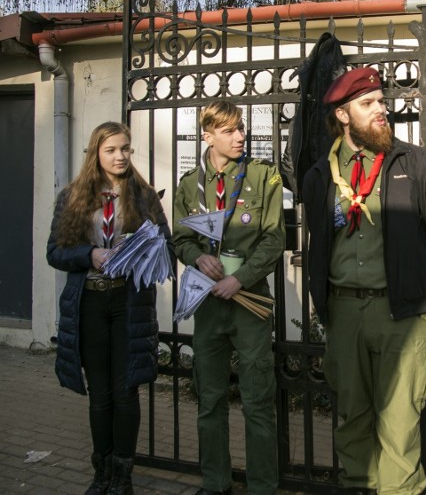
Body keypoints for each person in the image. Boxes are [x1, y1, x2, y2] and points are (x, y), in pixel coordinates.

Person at [302, 67, 426, 495]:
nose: (381, 110)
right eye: (368, 104)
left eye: (381, 102)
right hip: (345, 313)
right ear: (343, 115)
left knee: (400, 422)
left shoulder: (415, 164)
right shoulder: (320, 176)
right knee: (351, 418)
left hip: (402, 316)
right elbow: (317, 243)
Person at [47, 121, 173, 495]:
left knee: (126, 391)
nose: (120, 156)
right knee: (100, 394)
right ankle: (101, 474)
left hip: (128, 302)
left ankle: (123, 478)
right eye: (111, 150)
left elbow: (165, 243)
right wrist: (91, 254)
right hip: (88, 302)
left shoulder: (145, 196)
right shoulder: (73, 196)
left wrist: (144, 250)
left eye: (125, 149)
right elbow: (54, 252)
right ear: (95, 154)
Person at [173, 100, 285, 495]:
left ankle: (262, 487)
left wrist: (242, 280)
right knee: (210, 400)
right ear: (208, 135)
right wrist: (198, 257)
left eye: (241, 128)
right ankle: (216, 482)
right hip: (208, 306)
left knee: (257, 401)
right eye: (230, 130)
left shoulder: (263, 176)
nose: (241, 137)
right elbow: (181, 237)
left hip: (249, 303)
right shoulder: (189, 184)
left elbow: (275, 238)